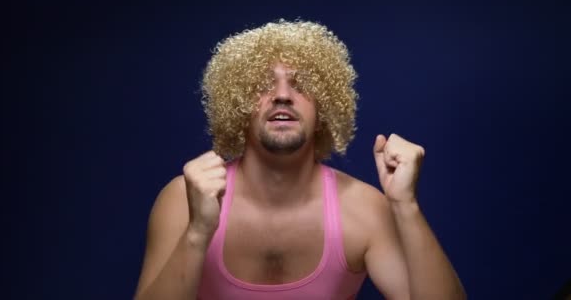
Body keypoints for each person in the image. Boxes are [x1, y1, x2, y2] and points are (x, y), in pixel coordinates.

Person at [133, 20, 466, 299]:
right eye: (262, 85)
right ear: (237, 106)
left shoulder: (363, 209)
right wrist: (197, 233)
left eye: (301, 85)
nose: (282, 95)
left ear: (323, 107)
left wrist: (405, 205)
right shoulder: (183, 200)